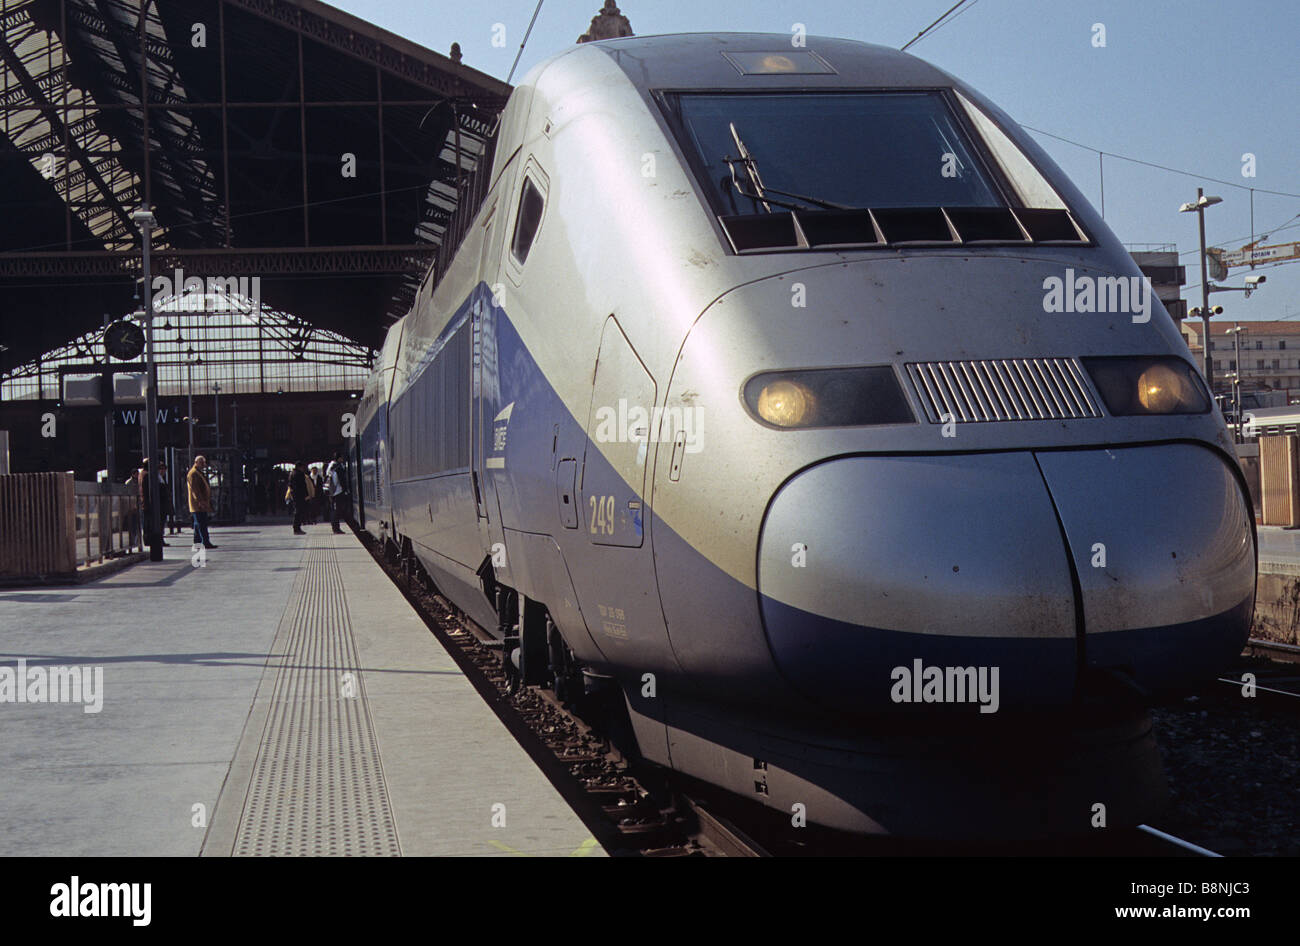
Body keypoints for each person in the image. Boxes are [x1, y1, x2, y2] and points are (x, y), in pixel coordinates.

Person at [188, 455, 217, 549]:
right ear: (196, 462)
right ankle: (205, 542)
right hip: (198, 504)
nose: (204, 465)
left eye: (204, 462)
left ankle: (197, 542)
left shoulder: (198, 472)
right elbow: (195, 489)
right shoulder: (193, 473)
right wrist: (200, 501)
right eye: (201, 463)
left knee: (198, 523)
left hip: (201, 503)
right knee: (202, 523)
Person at [325, 453, 345, 534]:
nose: (342, 459)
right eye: (341, 458)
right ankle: (336, 529)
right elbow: (340, 480)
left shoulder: (330, 467)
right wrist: (345, 489)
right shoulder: (338, 467)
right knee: (336, 510)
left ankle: (335, 527)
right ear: (339, 458)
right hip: (337, 491)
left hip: (331, 492)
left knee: (334, 510)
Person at [289, 461, 310, 535]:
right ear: (300, 467)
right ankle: (297, 529)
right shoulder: (299, 474)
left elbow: (290, 485)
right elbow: (303, 486)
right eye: (302, 467)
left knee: (297, 511)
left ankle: (296, 528)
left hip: (295, 495)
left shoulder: (291, 473)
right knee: (299, 512)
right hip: (300, 496)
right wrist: (306, 495)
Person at [158, 461, 178, 536]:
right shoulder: (159, 479)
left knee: (162, 522)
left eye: (164, 469)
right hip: (161, 505)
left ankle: (161, 537)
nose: (163, 471)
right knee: (160, 522)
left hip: (164, 504)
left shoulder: (162, 479)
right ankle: (160, 537)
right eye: (161, 469)